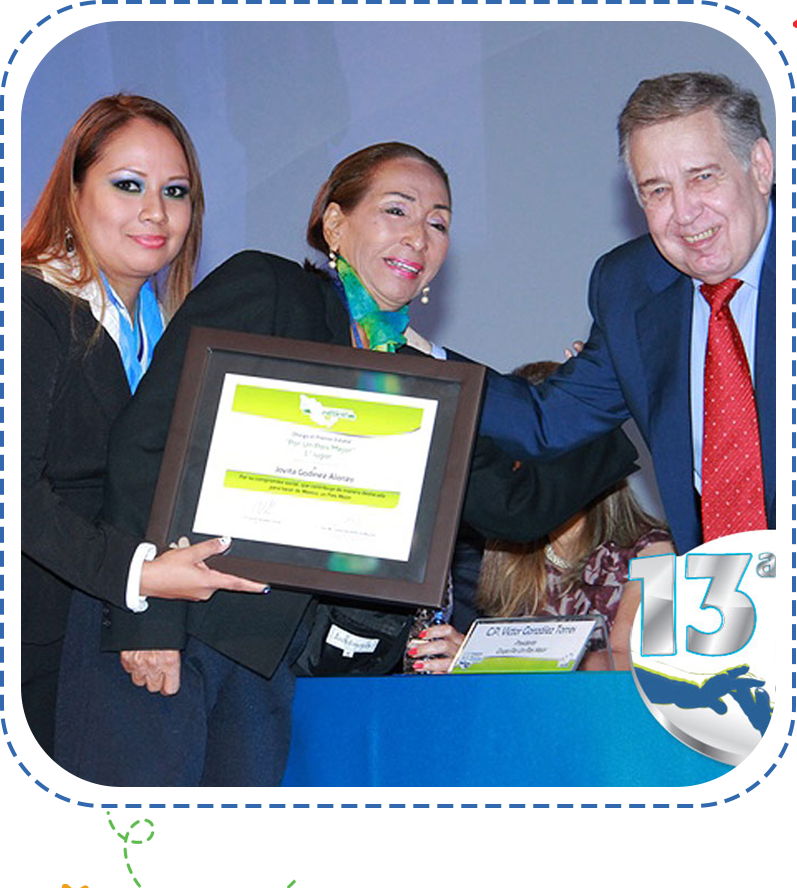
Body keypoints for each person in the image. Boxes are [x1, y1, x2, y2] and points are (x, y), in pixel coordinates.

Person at [57, 142, 638, 789]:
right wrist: (149, 618)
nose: (419, 235)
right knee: (131, 867)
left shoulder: (426, 376)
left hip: (264, 668)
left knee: (222, 878)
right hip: (172, 632)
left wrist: (615, 397)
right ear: (334, 223)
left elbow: (512, 504)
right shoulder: (271, 291)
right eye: (397, 209)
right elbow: (147, 442)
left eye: (439, 222)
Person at [21, 94, 267, 787]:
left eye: (175, 191)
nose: (155, 212)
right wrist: (142, 574)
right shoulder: (29, 305)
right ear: (73, 191)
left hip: (98, 658)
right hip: (30, 654)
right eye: (127, 184)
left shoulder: (166, 334)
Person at [477, 72, 783, 555]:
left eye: (702, 177)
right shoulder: (631, 287)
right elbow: (547, 422)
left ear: (760, 166)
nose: (685, 213)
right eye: (657, 190)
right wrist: (418, 365)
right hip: (728, 603)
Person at [408, 360, 675, 674]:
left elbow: (629, 662)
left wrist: (486, 657)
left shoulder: (656, 551)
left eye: (537, 446)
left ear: (586, 456)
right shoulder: (505, 553)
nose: (514, 467)